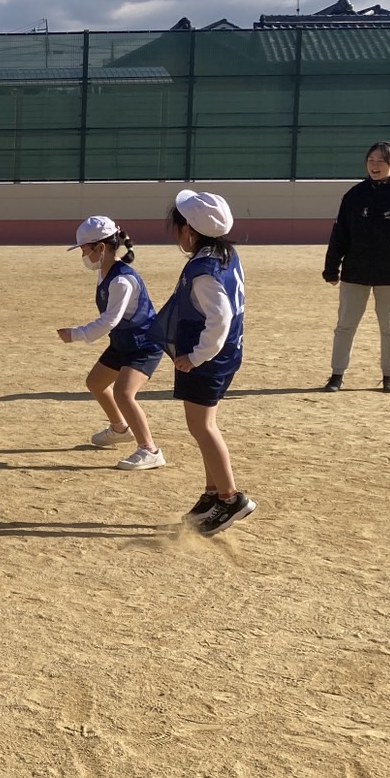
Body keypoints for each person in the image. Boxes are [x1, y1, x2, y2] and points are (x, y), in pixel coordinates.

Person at [154, 190, 256, 535]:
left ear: (191, 232)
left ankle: (230, 498)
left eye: (177, 226)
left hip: (208, 358)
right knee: (202, 425)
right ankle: (214, 492)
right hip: (223, 354)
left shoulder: (204, 269)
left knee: (202, 427)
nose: (175, 233)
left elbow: (221, 316)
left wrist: (196, 356)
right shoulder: (224, 254)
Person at [55, 216, 166, 471]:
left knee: (124, 393)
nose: (82, 254)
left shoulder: (121, 280)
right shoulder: (104, 273)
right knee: (95, 382)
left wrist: (77, 333)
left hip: (144, 344)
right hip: (123, 342)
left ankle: (150, 450)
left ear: (100, 248)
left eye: (84, 248)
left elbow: (110, 320)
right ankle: (120, 428)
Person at [323, 141, 390, 394]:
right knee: (345, 325)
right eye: (370, 160)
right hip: (355, 273)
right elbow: (339, 235)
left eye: (380, 161)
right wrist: (331, 268)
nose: (374, 166)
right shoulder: (354, 196)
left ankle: (389, 375)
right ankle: (336, 375)